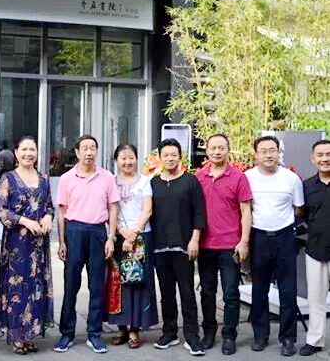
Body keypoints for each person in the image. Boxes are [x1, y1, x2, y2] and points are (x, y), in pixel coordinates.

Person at [54, 134, 119, 355]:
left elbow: (112, 208)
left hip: (98, 232)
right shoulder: (66, 178)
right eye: (85, 148)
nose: (89, 152)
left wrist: (111, 237)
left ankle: (94, 333)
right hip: (74, 231)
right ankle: (67, 333)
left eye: (93, 148)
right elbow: (61, 212)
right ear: (77, 152)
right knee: (71, 284)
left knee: (97, 286)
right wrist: (62, 241)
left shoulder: (107, 177)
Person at [245, 136, 304, 356]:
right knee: (259, 289)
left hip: (285, 237)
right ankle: (260, 335)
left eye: (273, 150)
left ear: (279, 152)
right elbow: (245, 209)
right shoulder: (247, 177)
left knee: (288, 290)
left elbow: (298, 209)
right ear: (256, 154)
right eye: (264, 151)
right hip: (259, 237)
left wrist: (284, 228)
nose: (269, 155)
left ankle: (288, 338)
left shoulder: (291, 179)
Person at [0, 136, 54, 354]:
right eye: (24, 149)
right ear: (16, 153)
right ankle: (18, 335)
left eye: (32, 150)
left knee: (36, 286)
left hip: (38, 244)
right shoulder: (8, 179)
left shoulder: (44, 178)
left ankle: (31, 334)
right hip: (17, 245)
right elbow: (1, 210)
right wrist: (25, 221)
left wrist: (48, 217)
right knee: (17, 287)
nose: (28, 153)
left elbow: (49, 206)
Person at [195, 134, 252, 355]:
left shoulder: (239, 178)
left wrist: (244, 241)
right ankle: (208, 332)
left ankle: (229, 335)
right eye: (213, 148)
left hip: (231, 246)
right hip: (205, 246)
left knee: (230, 294)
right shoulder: (199, 177)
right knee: (207, 292)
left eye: (221, 148)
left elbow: (246, 211)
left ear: (229, 150)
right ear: (207, 151)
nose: (217, 152)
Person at [151, 138, 206, 356]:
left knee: (187, 293)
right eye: (166, 155)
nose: (170, 158)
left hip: (184, 246)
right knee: (166, 293)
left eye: (174, 154)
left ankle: (192, 336)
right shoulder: (153, 183)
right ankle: (169, 332)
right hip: (159, 247)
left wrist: (195, 239)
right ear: (160, 157)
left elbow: (199, 212)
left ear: (180, 156)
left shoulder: (190, 181)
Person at [107, 143, 158, 349]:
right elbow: (108, 209)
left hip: (141, 237)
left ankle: (136, 328)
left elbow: (147, 210)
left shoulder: (145, 181)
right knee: (118, 283)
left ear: (137, 159)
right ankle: (121, 327)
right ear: (116, 160)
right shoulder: (110, 181)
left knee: (138, 282)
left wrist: (132, 234)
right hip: (118, 237)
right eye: (123, 158)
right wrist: (121, 231)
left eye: (131, 157)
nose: (127, 162)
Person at [298, 140, 330, 356]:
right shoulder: (307, 186)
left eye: (329, 154)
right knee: (316, 299)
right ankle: (315, 340)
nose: (325, 158)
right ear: (313, 159)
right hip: (317, 249)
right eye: (320, 155)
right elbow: (303, 218)